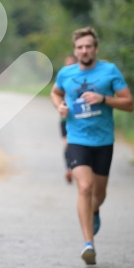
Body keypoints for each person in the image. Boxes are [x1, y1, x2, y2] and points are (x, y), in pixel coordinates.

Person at [50, 27, 134, 265]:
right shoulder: (66, 73)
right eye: (79, 47)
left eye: (88, 46)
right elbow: (55, 93)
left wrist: (104, 99)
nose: (84, 51)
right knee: (84, 187)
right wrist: (60, 107)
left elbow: (129, 103)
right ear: (75, 50)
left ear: (95, 49)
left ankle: (95, 210)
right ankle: (89, 244)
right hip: (77, 140)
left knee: (99, 194)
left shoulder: (109, 71)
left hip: (103, 142)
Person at [60, 54, 78, 183]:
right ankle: (69, 169)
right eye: (67, 64)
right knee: (67, 144)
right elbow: (55, 94)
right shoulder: (63, 78)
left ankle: (78, 168)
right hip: (65, 118)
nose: (69, 66)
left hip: (81, 118)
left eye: (72, 63)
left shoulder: (81, 78)